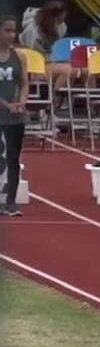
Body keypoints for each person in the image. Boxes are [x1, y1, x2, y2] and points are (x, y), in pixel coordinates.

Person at [0, 17, 27, 217]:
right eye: (7, 31)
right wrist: (6, 104)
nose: (11, 35)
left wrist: (21, 102)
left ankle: (11, 200)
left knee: (13, 158)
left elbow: (25, 83)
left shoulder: (19, 56)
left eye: (13, 31)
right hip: (3, 112)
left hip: (15, 116)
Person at [19, 1, 72, 95]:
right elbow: (34, 54)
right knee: (67, 70)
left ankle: (59, 100)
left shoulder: (61, 27)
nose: (64, 17)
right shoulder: (34, 31)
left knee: (74, 68)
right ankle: (52, 99)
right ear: (54, 16)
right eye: (62, 15)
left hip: (49, 63)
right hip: (34, 67)